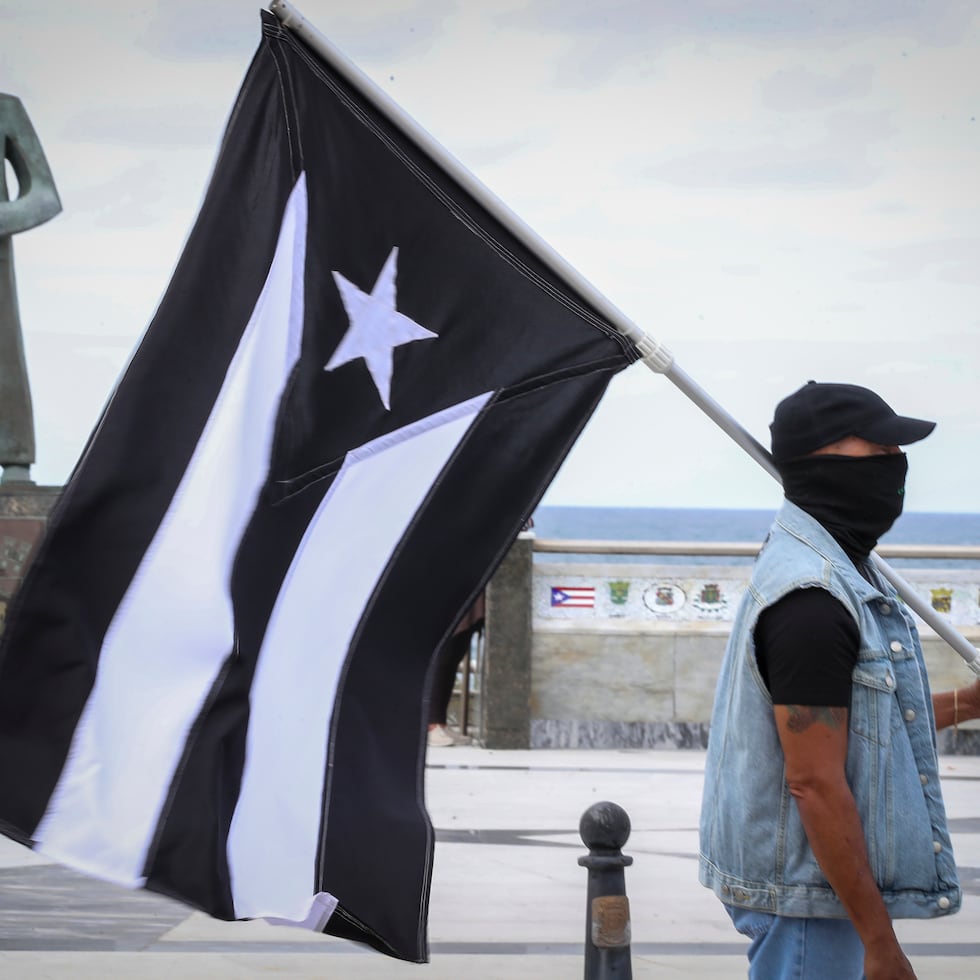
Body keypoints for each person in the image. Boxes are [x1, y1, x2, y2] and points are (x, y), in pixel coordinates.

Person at [698, 380, 980, 980]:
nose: (895, 468)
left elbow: (859, 726)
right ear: (819, 464)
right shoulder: (813, 602)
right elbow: (814, 782)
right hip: (807, 897)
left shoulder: (836, 571)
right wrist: (879, 942)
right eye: (878, 453)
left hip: (812, 888)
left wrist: (968, 703)